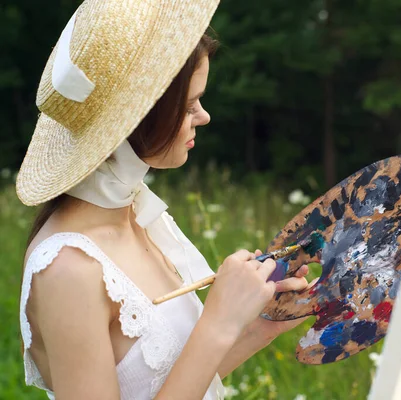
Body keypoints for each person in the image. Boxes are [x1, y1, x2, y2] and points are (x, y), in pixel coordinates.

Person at [16, 1, 311, 399]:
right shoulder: (68, 268)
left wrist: (259, 325)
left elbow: (167, 383)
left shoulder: (137, 214)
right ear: (137, 118)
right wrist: (218, 323)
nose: (203, 116)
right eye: (189, 105)